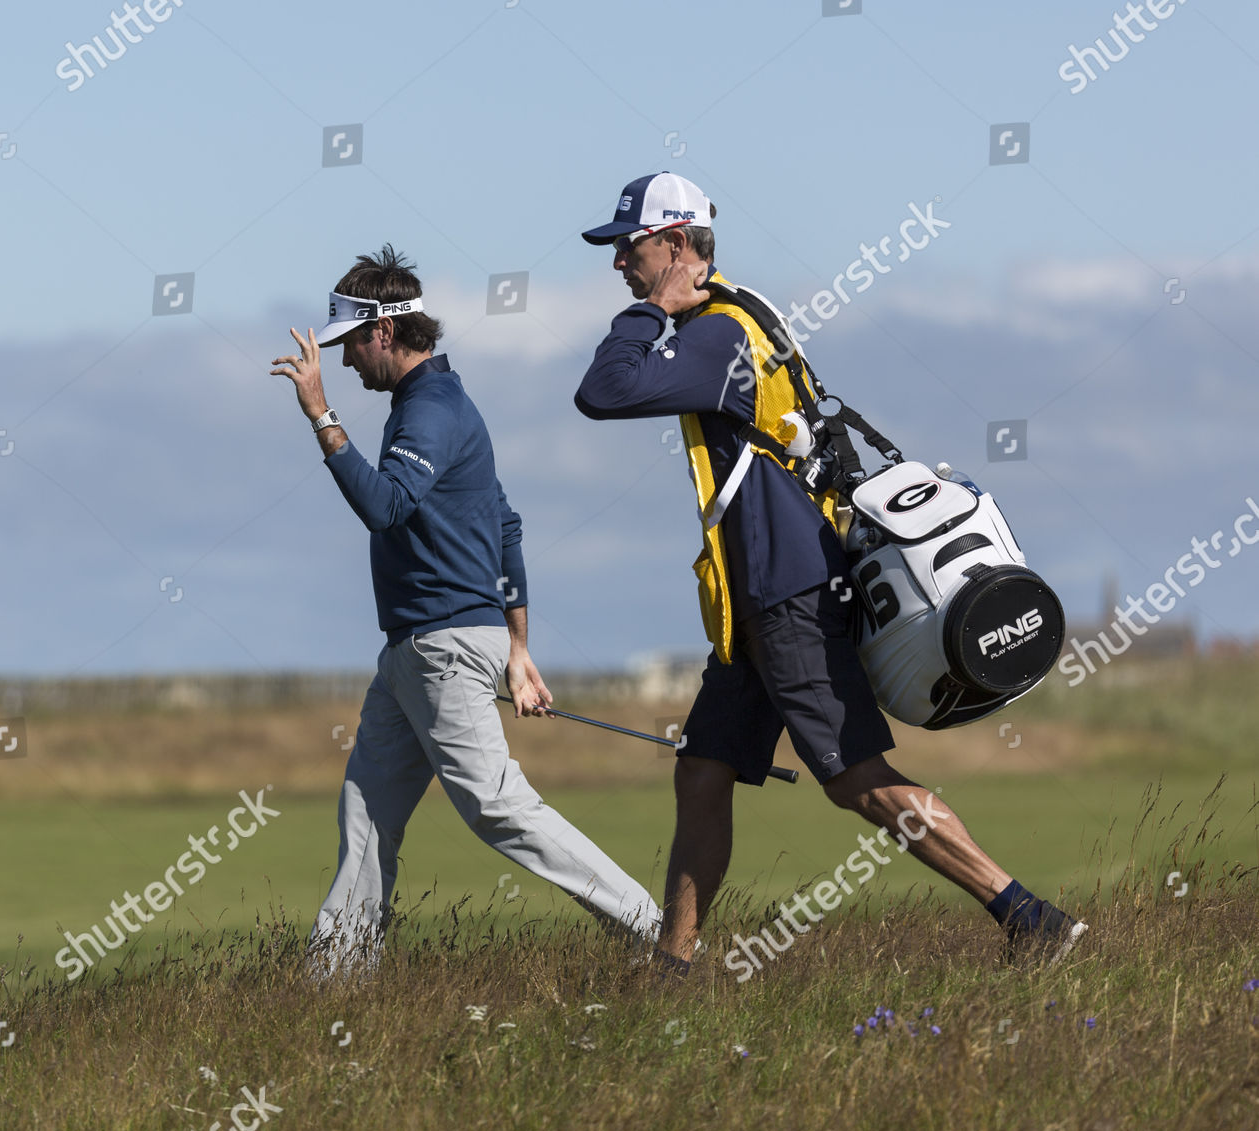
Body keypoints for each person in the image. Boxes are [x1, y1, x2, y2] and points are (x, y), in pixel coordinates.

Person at [572, 173, 1086, 976]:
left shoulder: (714, 331)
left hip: (787, 595)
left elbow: (604, 391)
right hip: (757, 602)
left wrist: (653, 311)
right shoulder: (745, 312)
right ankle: (671, 971)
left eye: (629, 249)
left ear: (676, 247)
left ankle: (1029, 918)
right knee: (704, 772)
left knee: (856, 779)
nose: (618, 267)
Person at [271, 244, 662, 976]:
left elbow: (385, 508)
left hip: (443, 646)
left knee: (499, 808)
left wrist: (320, 415)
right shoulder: (437, 405)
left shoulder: (432, 411)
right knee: (367, 811)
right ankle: (334, 980)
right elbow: (506, 527)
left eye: (351, 345)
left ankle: (655, 933)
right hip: (416, 653)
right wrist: (518, 651)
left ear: (384, 333)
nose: (347, 363)